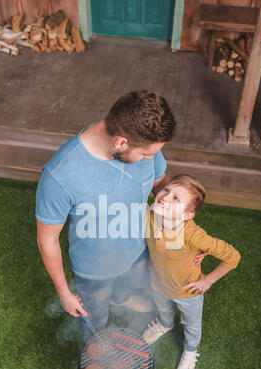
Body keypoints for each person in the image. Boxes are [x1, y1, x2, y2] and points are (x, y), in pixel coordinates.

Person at [36, 90, 179, 343]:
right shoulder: (60, 176)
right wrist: (64, 292)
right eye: (145, 155)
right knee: (95, 319)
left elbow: (160, 184)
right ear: (121, 143)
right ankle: (95, 343)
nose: (150, 158)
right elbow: (48, 239)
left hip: (138, 249)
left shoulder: (148, 146)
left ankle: (121, 297)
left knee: (131, 282)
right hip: (94, 272)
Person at [142, 174, 241, 369]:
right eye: (167, 190)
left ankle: (190, 350)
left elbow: (233, 257)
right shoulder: (150, 214)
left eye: (176, 198)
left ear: (187, 216)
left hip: (187, 291)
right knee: (162, 308)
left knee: (192, 324)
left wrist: (207, 280)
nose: (165, 197)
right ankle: (165, 324)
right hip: (158, 283)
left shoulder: (193, 235)